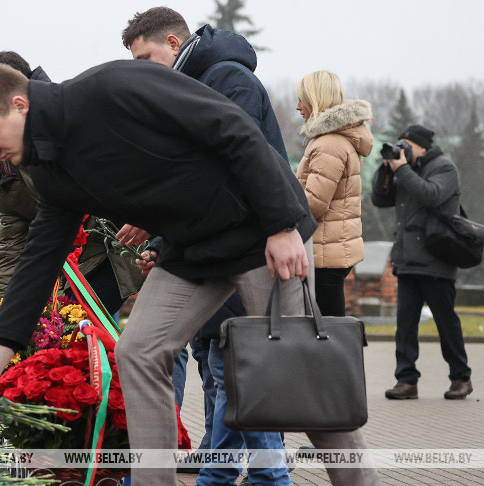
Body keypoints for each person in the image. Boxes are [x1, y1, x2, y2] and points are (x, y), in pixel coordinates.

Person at [0, 61, 381, 486]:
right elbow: (38, 263)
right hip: (192, 248)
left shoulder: (110, 88)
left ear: (20, 106)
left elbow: (232, 126)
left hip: (259, 231)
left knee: (299, 369)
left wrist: (283, 224)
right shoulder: (50, 171)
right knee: (138, 351)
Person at [123, 9, 292, 484]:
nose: (142, 68)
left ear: (174, 43)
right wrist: (162, 235)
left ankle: (267, 479)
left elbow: (225, 172)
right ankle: (217, 479)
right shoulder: (182, 89)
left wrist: (156, 222)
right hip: (210, 250)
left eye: (146, 56)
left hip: (250, 250)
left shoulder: (227, 80)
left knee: (245, 372)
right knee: (226, 369)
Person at [0, 51, 144, 314]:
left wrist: (143, 214)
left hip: (117, 250)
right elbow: (13, 251)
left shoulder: (46, 144)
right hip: (80, 265)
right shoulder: (2, 186)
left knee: (91, 337)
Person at [372, 124, 473, 400]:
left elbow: (431, 195)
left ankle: (461, 377)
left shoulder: (444, 167)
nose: (402, 149)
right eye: (399, 144)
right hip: (407, 260)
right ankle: (406, 381)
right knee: (405, 325)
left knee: (446, 323)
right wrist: (385, 169)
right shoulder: (405, 170)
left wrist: (402, 169)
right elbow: (380, 199)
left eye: (407, 144)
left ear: (422, 147)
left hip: (436, 259)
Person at [295, 71, 372, 316]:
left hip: (324, 250)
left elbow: (314, 204)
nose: (298, 107)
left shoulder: (328, 144)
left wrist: (280, 210)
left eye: (302, 100)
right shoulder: (336, 140)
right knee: (328, 328)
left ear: (316, 101)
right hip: (330, 246)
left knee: (327, 331)